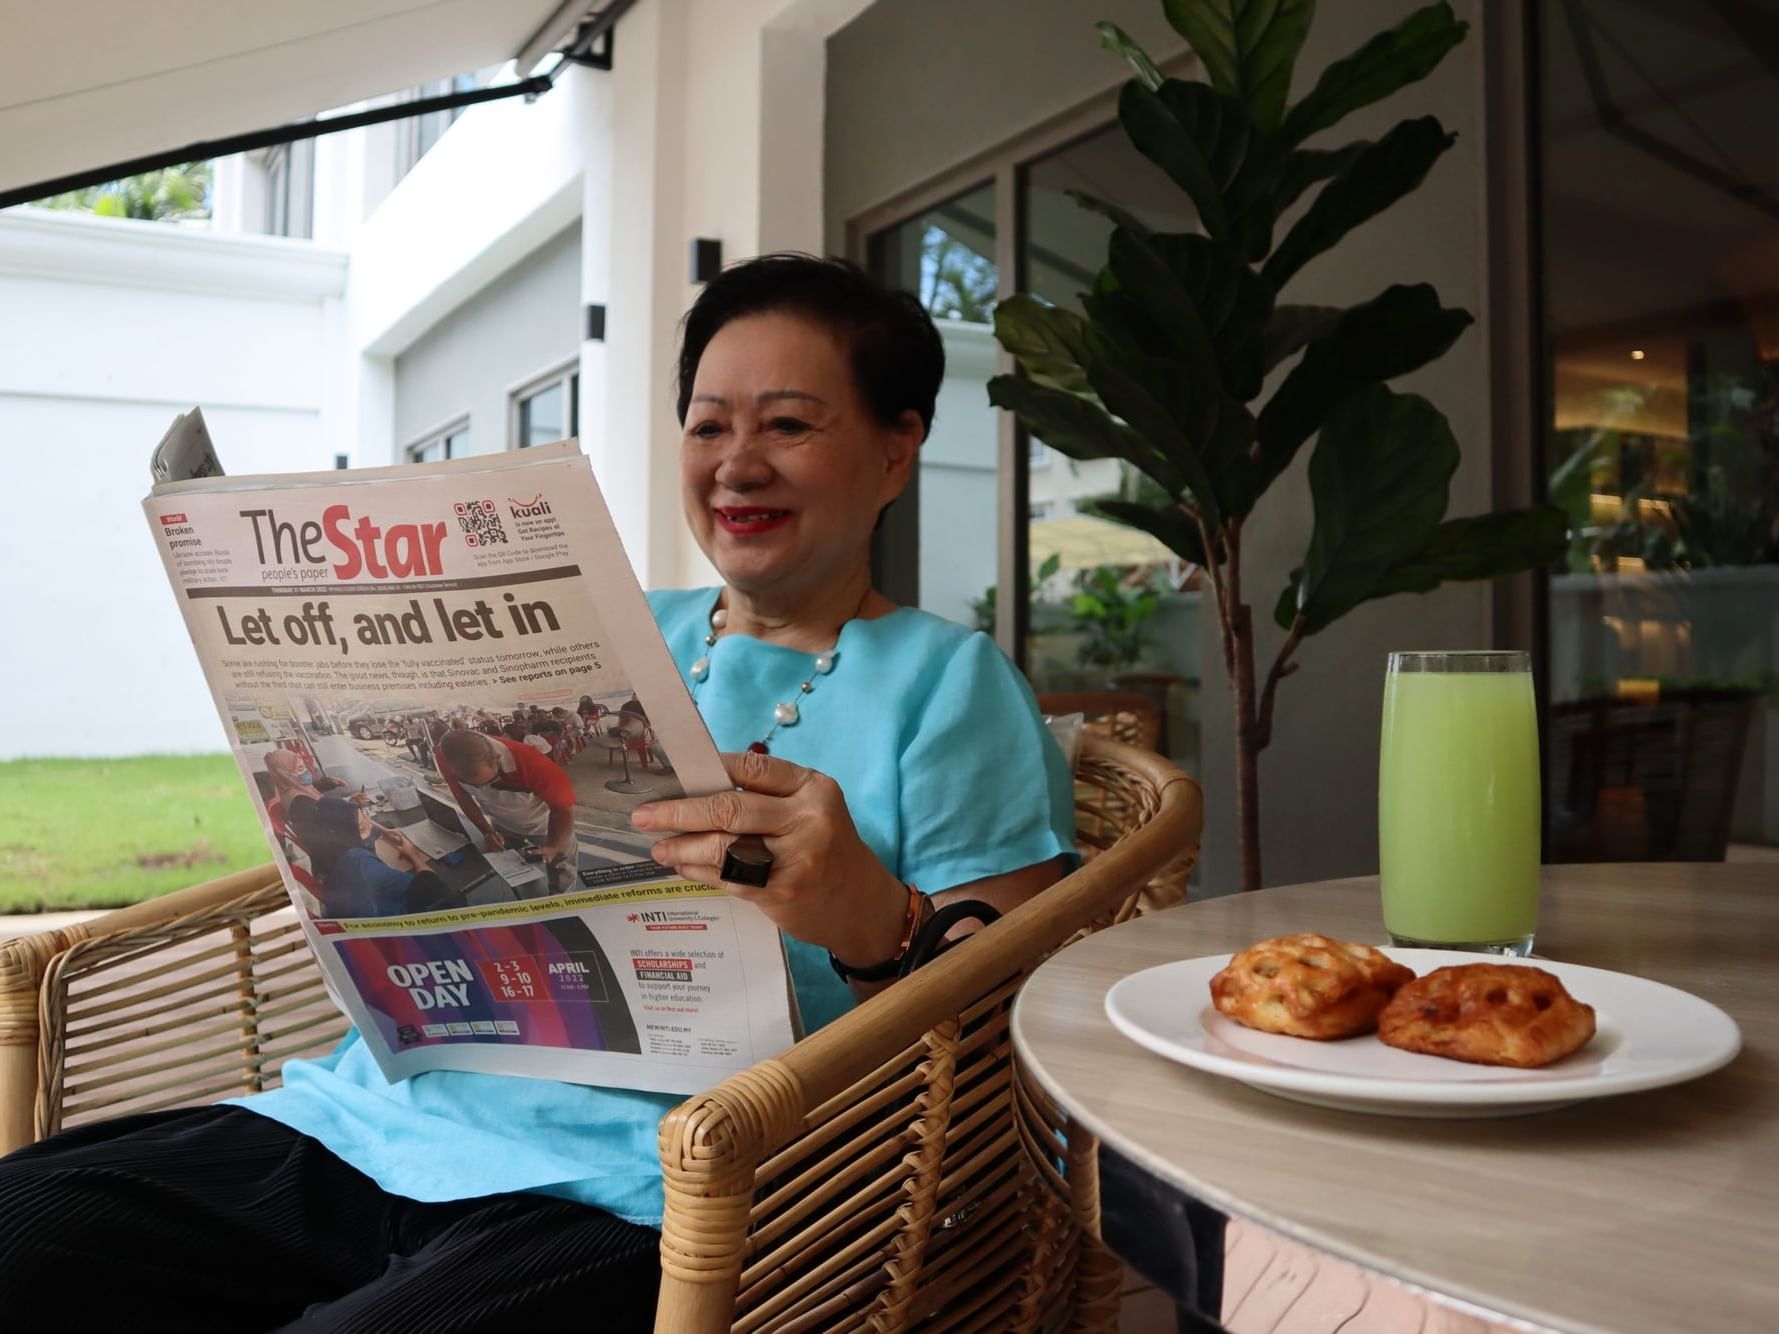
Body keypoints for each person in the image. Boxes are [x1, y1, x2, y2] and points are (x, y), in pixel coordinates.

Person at [0, 254, 1074, 1330]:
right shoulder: (625, 626)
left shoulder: (952, 685)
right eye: (707, 427)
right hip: (373, 1122)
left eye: (788, 425)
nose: (737, 464)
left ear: (897, 447)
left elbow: (1009, 1047)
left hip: (638, 1194)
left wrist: (878, 923)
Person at [436, 729, 580, 894]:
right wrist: (487, 832)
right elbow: (463, 798)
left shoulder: (535, 765)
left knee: (563, 867)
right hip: (502, 825)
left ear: (498, 758)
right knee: (517, 863)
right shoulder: (445, 755)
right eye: (472, 785)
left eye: (490, 781)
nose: (482, 790)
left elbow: (563, 810)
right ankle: (527, 885)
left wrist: (554, 846)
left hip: (546, 826)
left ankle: (562, 901)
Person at [305, 795, 452, 919]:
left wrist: (384, 830)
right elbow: (432, 889)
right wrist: (414, 856)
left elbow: (344, 817)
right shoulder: (362, 864)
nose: (369, 826)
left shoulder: (329, 848)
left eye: (366, 818)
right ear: (349, 835)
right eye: (363, 827)